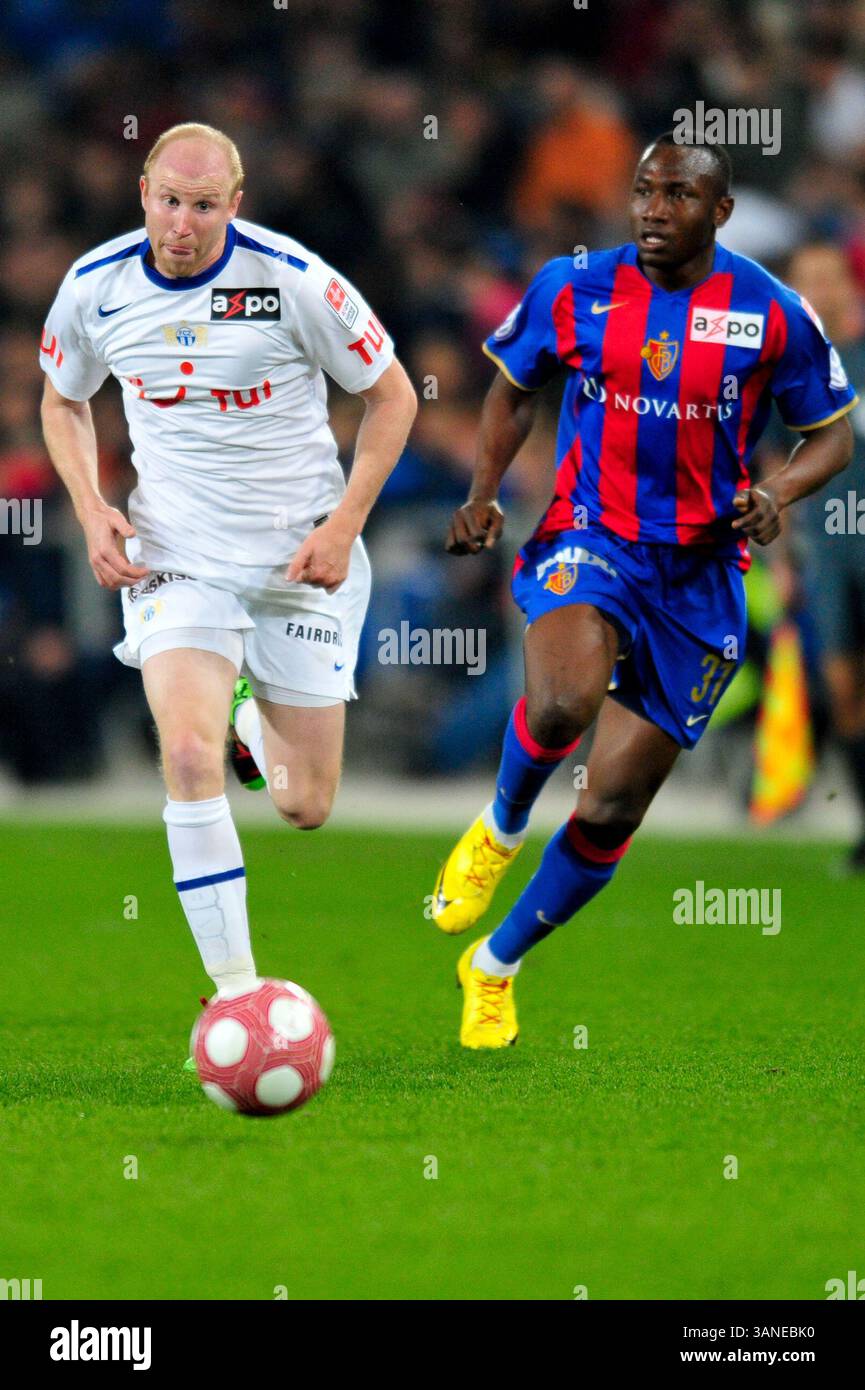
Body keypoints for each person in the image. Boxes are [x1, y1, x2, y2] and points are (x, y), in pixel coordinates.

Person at [432, 134, 856, 1048]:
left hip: (700, 576)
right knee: (558, 705)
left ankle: (495, 965)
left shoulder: (771, 313)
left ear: (721, 211)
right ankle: (499, 831)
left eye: (677, 195)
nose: (654, 211)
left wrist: (773, 493)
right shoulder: (572, 287)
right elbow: (511, 389)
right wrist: (481, 493)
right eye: (642, 192)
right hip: (592, 535)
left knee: (611, 806)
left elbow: (831, 434)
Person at [40, 123, 416, 1019]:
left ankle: (250, 717)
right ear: (143, 192)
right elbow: (62, 400)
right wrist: (94, 507)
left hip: (300, 559)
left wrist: (344, 523)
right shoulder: (94, 288)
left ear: (233, 207)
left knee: (304, 804)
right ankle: (237, 999)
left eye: (203, 205)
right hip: (177, 554)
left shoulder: (291, 279)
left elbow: (393, 394)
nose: (182, 222)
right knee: (183, 751)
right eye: (169, 199)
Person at [774, 243, 865, 869]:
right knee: (840, 686)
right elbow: (773, 464)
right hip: (830, 551)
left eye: (824, 278)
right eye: (802, 280)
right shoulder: (791, 363)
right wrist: (782, 555)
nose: (814, 289)